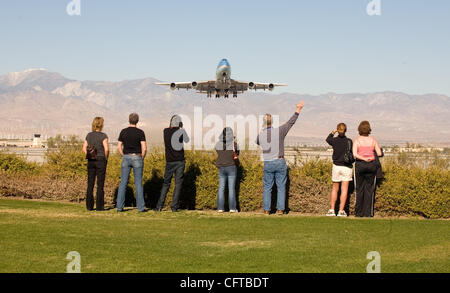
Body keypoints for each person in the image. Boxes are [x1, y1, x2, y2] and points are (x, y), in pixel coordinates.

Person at [256, 100, 305, 215]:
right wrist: (298, 109)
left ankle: (267, 210)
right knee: (281, 186)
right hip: (279, 160)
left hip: (268, 162)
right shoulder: (279, 131)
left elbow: (258, 142)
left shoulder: (261, 135)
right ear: (272, 121)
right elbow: (290, 122)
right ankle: (280, 209)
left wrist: (261, 131)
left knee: (267, 187)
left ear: (263, 123)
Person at [155, 115, 190, 212]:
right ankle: (174, 207)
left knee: (166, 184)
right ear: (180, 123)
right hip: (179, 161)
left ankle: (159, 206)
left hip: (169, 161)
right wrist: (182, 128)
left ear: (170, 122)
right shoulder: (180, 131)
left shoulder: (165, 131)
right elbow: (187, 140)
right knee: (178, 184)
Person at [116, 113, 147, 212]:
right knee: (138, 183)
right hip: (137, 157)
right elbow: (144, 148)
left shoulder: (123, 132)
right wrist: (142, 157)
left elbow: (119, 146)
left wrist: (123, 155)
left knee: (123, 183)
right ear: (137, 121)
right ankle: (141, 207)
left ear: (129, 120)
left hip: (126, 157)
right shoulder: (140, 132)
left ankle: (119, 207)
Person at [352, 121, 382, 217]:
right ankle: (368, 213)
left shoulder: (357, 140)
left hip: (360, 165)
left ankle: (358, 212)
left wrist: (363, 158)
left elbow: (355, 154)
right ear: (369, 129)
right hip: (371, 165)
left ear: (359, 129)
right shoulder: (373, 140)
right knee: (370, 189)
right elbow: (379, 153)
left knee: (359, 189)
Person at [325, 123, 353, 217]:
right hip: (347, 167)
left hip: (336, 166)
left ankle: (332, 210)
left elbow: (327, 139)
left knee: (335, 189)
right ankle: (341, 211)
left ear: (338, 130)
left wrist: (333, 132)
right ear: (346, 130)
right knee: (344, 189)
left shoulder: (334, 140)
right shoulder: (349, 141)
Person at [82, 117, 109, 211]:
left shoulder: (89, 135)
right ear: (101, 125)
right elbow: (106, 149)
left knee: (90, 184)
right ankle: (99, 206)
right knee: (100, 184)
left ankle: (89, 206)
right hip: (101, 160)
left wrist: (89, 154)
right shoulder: (103, 136)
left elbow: (84, 148)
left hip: (91, 160)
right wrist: (106, 158)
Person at [215, 127, 240, 213]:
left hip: (221, 167)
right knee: (231, 188)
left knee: (221, 188)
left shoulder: (218, 144)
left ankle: (220, 208)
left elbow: (218, 152)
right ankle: (232, 208)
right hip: (232, 167)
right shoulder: (234, 144)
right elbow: (237, 154)